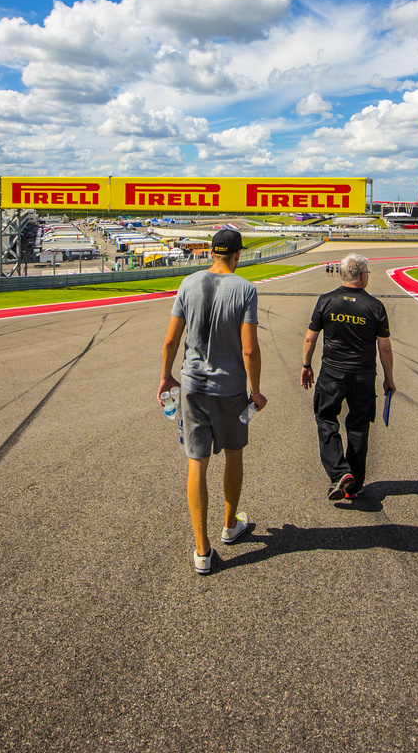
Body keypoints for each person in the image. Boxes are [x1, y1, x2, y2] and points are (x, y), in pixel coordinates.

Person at [157, 227, 266, 575]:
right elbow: (249, 348)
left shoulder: (188, 283)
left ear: (211, 253)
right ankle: (230, 525)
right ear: (237, 255)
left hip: (191, 387)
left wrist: (165, 376)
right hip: (230, 390)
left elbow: (171, 340)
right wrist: (257, 390)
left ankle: (202, 552)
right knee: (234, 455)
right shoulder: (245, 289)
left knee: (196, 461)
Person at [299, 253, 395, 501]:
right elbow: (384, 347)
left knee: (326, 418)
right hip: (363, 376)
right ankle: (354, 481)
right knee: (359, 425)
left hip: (332, 373)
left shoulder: (326, 301)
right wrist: (388, 377)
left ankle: (340, 473)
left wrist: (306, 365)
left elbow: (310, 337)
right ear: (363, 276)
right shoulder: (375, 306)